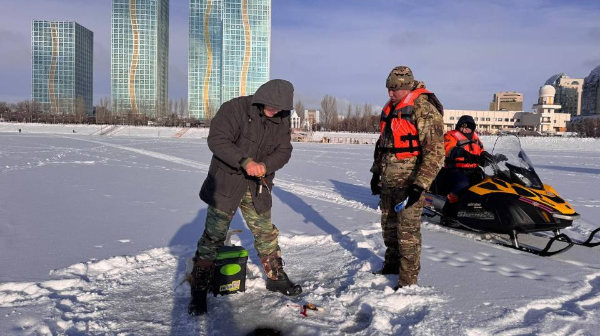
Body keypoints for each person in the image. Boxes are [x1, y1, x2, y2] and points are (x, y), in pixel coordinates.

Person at [188, 79, 302, 316]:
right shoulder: (235, 108)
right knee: (214, 236)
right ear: (262, 97)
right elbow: (217, 140)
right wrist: (245, 161)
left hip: (257, 186)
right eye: (272, 106)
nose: (275, 111)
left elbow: (284, 150)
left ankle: (275, 277)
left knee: (265, 232)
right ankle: (199, 287)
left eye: (280, 108)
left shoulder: (281, 119)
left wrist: (265, 165)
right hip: (226, 183)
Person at [370, 66, 445, 289]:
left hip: (409, 182)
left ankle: (407, 281)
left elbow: (435, 152)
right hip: (388, 179)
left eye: (394, 89)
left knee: (407, 233)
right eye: (388, 89)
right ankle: (391, 266)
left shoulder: (424, 109)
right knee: (389, 227)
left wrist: (419, 186)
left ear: (406, 87)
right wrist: (375, 173)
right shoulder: (392, 108)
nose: (390, 94)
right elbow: (383, 144)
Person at [441, 115, 494, 218]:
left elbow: (481, 151)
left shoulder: (475, 138)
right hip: (456, 168)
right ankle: (448, 210)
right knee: (463, 184)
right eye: (462, 127)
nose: (464, 129)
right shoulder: (450, 136)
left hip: (473, 169)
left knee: (487, 183)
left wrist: (486, 156)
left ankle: (479, 210)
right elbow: (449, 149)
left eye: (467, 127)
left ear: (472, 128)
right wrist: (463, 153)